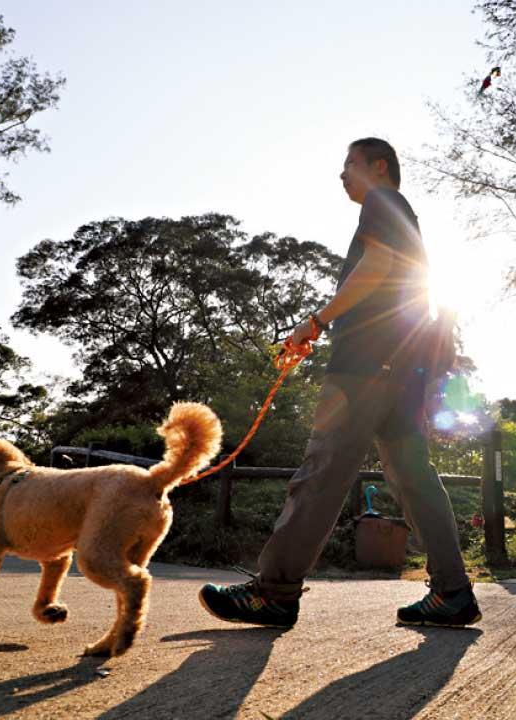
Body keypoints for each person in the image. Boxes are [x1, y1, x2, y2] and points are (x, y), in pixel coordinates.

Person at [199, 138, 480, 628]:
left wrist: (317, 320)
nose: (342, 173)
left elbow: (376, 267)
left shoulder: (382, 201)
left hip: (364, 366)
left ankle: (274, 592)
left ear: (379, 166)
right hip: (402, 369)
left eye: (349, 163)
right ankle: (452, 592)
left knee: (323, 470)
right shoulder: (406, 216)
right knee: (414, 478)